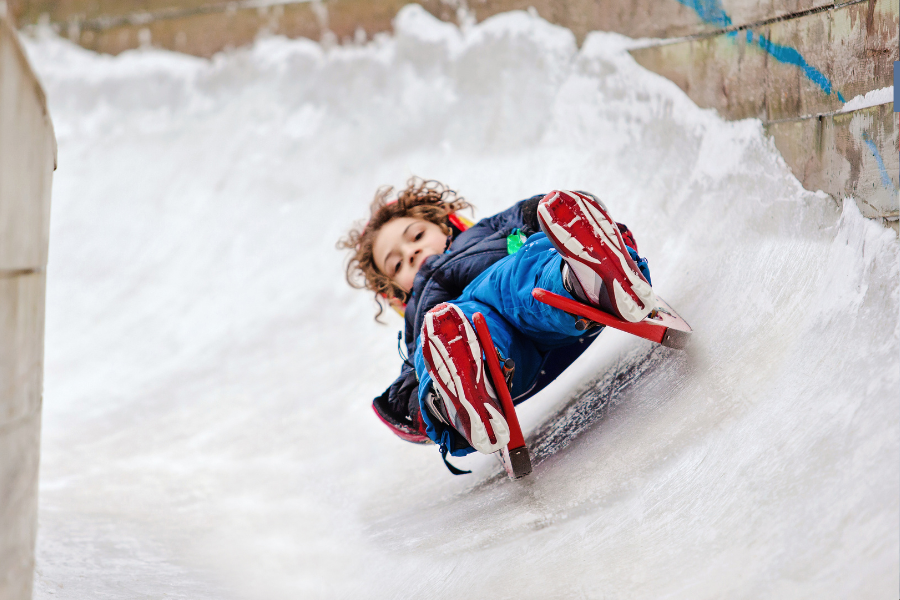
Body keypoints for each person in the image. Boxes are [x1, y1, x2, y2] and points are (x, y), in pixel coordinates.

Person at [339, 178, 654, 466]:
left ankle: (588, 277)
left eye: (417, 235)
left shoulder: (487, 232)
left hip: (529, 300)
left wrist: (558, 212)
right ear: (395, 292)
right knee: (438, 344)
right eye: (396, 264)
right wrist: (414, 406)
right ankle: (456, 395)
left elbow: (530, 213)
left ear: (445, 224)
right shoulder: (418, 318)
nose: (412, 252)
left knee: (524, 271)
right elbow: (412, 380)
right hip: (496, 361)